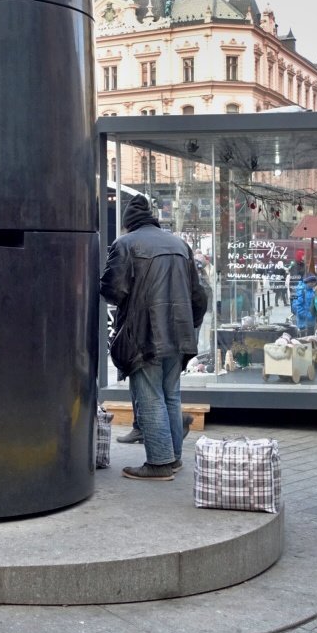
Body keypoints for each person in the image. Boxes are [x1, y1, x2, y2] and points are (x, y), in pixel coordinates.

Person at [100, 194, 208, 480]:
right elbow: (200, 296)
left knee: (150, 397)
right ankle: (172, 459)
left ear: (127, 224)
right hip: (179, 333)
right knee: (171, 395)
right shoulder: (179, 244)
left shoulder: (125, 245)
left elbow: (113, 291)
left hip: (145, 334)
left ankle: (159, 463)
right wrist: (190, 325)